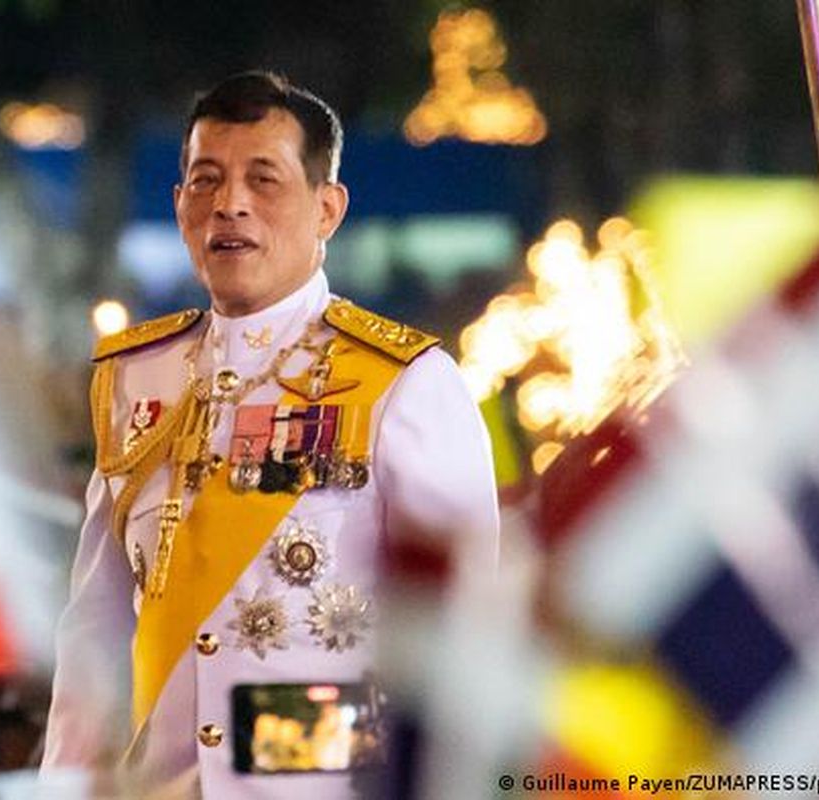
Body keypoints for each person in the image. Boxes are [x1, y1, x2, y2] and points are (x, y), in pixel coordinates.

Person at [43, 70, 499, 798]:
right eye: (206, 180)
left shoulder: (404, 382)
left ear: (327, 208)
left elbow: (460, 640)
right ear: (179, 203)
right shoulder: (136, 380)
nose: (230, 205)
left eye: (264, 180)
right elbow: (94, 627)